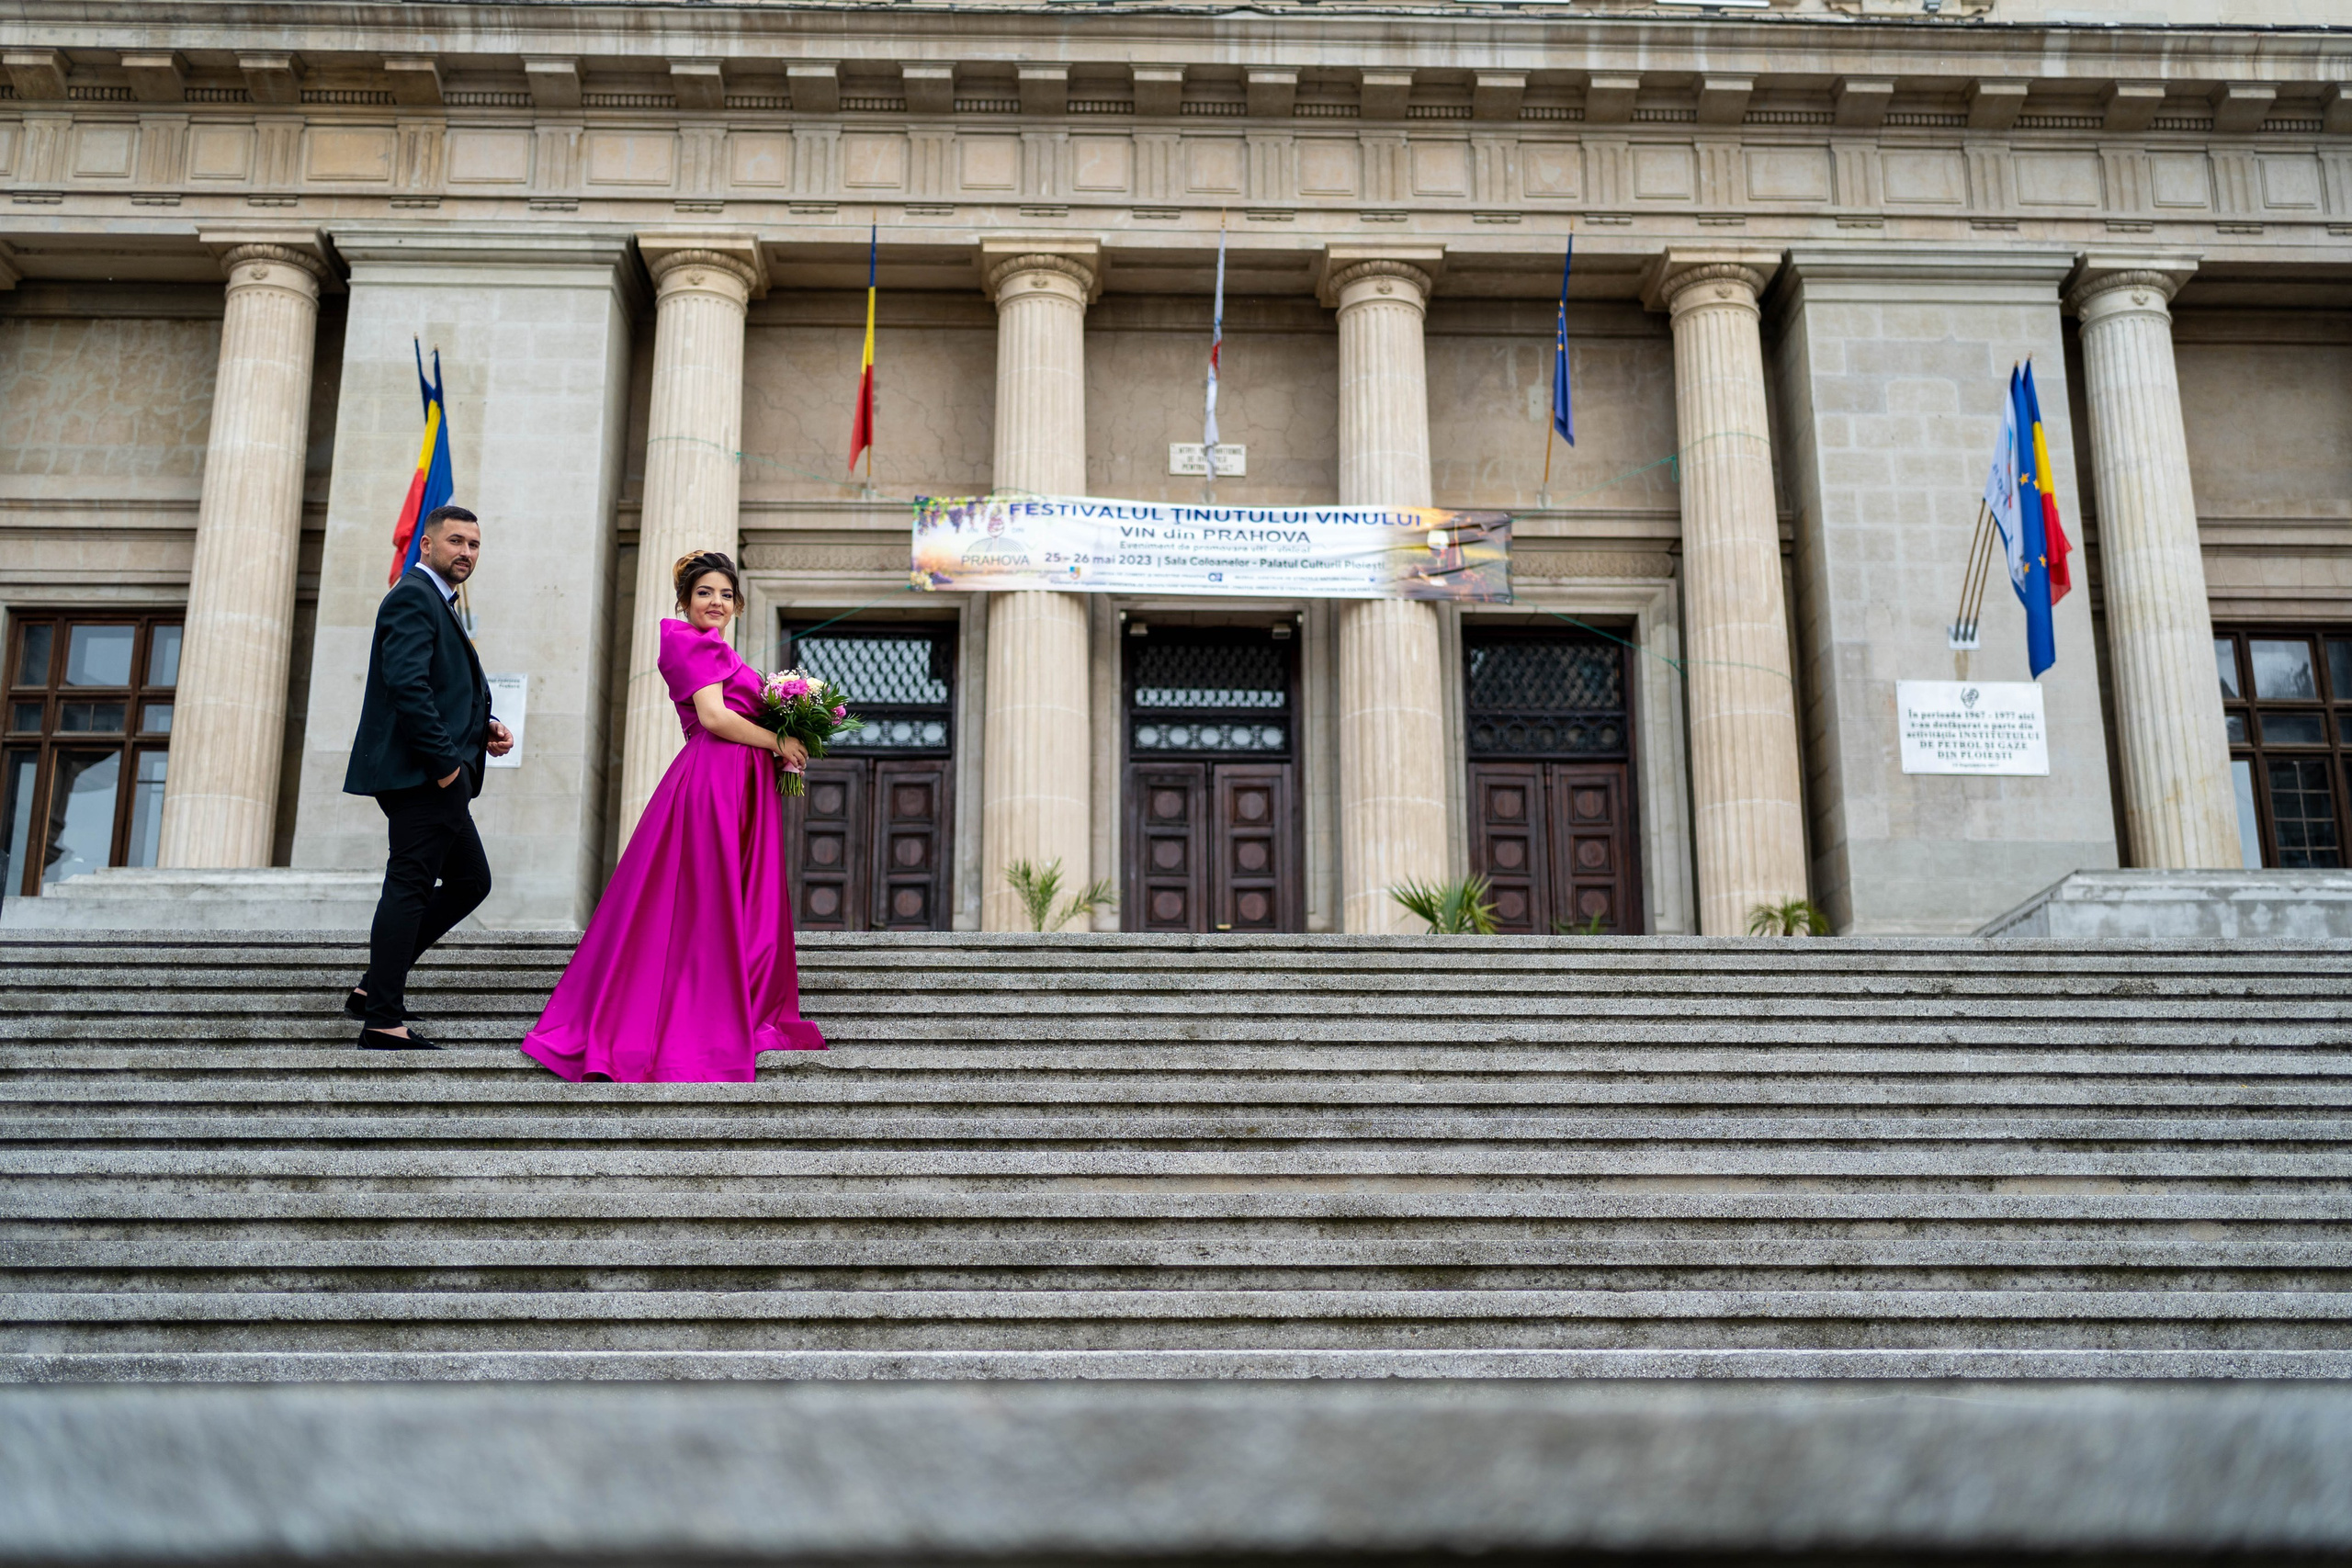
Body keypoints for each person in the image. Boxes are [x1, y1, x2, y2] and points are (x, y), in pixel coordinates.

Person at [519, 550, 826, 1081]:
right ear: (685, 601)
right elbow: (714, 717)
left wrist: (784, 744)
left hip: (743, 783)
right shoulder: (688, 641)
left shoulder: (719, 650)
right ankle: (690, 1021)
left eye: (725, 594)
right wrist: (779, 740)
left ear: (739, 605)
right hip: (717, 779)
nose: (716, 602)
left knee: (733, 898)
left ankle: (733, 1009)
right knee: (705, 899)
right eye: (704, 593)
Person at [343, 504, 514, 1049]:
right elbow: (407, 686)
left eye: (474, 544)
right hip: (423, 776)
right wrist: (446, 768)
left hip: (433, 775)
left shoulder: (437, 601)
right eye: (455, 541)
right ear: (427, 544)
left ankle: (373, 988)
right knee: (410, 886)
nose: (466, 552)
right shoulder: (415, 595)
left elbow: (437, 689)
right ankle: (383, 1021)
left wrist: (483, 727)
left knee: (470, 881)